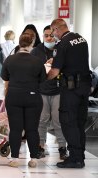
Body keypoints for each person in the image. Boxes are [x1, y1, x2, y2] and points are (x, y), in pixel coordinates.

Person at [48, 18, 91, 168]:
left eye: (53, 32)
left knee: (68, 122)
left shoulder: (63, 44)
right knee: (79, 123)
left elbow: (54, 71)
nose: (53, 35)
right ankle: (80, 156)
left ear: (56, 29)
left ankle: (74, 158)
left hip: (71, 89)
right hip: (85, 87)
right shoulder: (81, 39)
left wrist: (42, 77)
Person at [1, 34, 46, 168]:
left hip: (14, 96)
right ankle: (33, 159)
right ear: (32, 43)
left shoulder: (10, 59)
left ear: (19, 43)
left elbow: (4, 76)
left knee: (15, 129)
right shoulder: (37, 61)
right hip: (33, 97)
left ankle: (14, 158)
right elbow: (43, 79)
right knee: (32, 129)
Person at [31, 25, 67, 160]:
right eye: (46, 35)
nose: (49, 38)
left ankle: (62, 148)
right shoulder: (36, 51)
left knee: (58, 121)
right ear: (42, 36)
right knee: (42, 120)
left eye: (51, 35)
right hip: (42, 90)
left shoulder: (61, 48)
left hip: (58, 90)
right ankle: (40, 146)